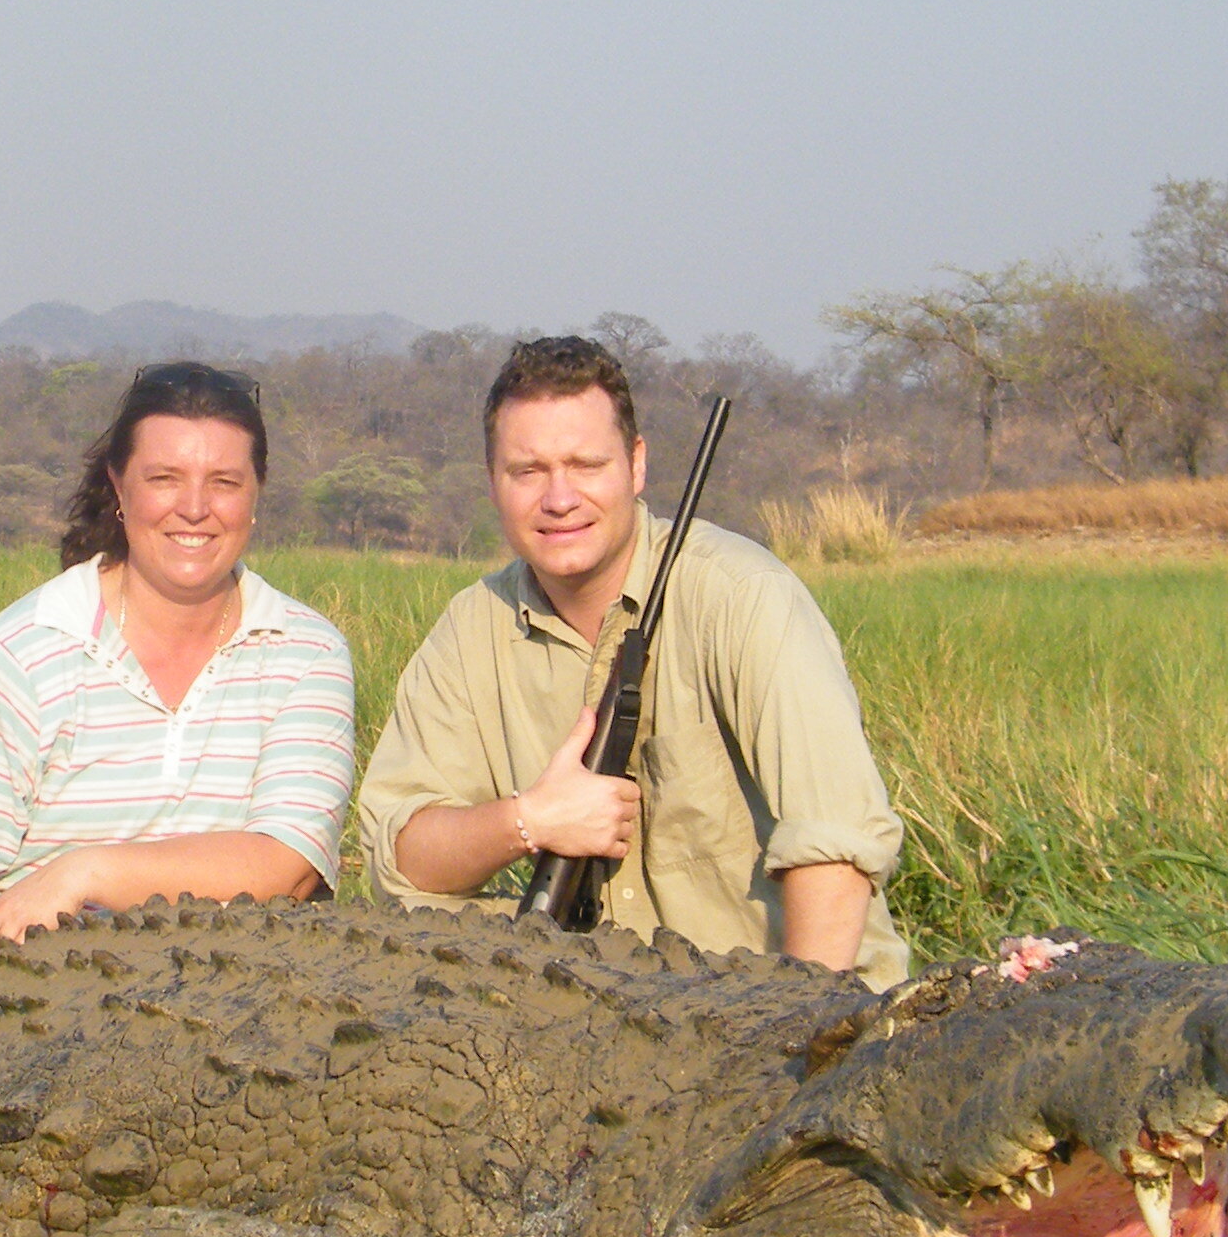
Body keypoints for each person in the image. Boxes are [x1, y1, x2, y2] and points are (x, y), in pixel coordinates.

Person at [354, 334, 910, 984]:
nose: (559, 498)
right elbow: (400, 857)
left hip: (786, 1011)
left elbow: (834, 854)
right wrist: (529, 821)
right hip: (603, 1023)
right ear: (492, 482)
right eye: (527, 471)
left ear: (636, 465)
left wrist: (797, 1041)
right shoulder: (470, 628)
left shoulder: (744, 597)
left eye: (586, 465)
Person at [0, 361, 357, 1029]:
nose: (194, 508)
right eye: (164, 479)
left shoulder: (305, 652)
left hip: (235, 1013)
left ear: (256, 494)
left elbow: (287, 864)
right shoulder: (23, 651)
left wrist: (81, 875)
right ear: (119, 486)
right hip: (29, 1010)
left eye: (223, 483)